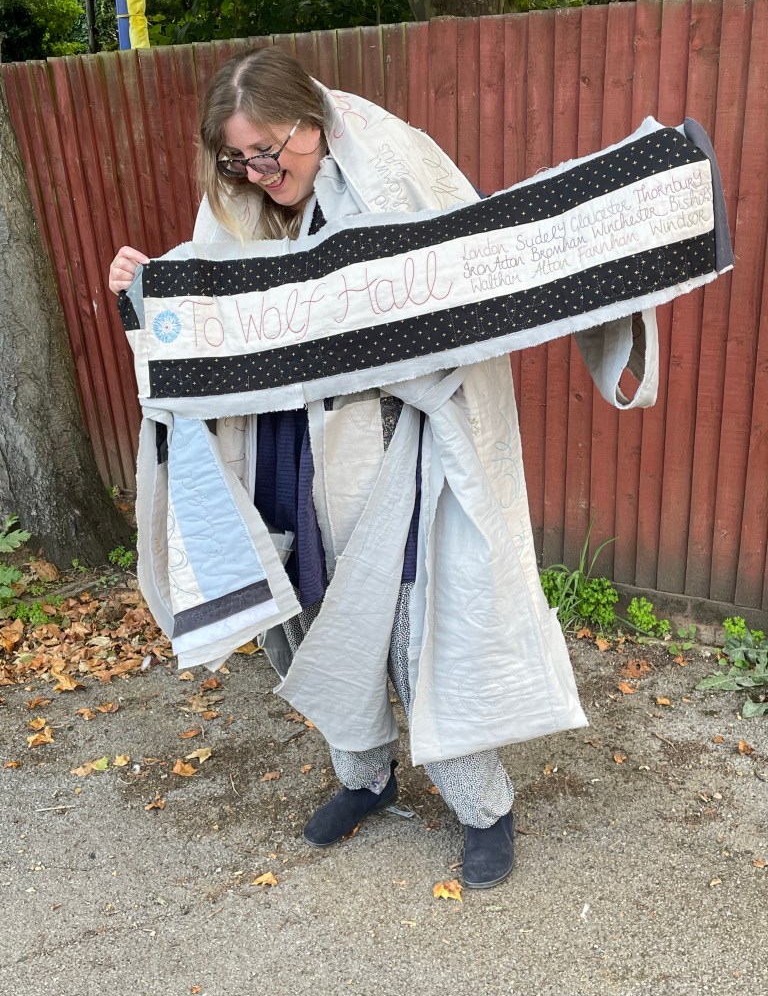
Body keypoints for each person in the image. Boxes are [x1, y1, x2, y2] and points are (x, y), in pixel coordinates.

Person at [110, 47, 589, 890]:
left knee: (414, 631)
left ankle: (484, 807)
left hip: (392, 446)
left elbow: (466, 290)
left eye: (269, 152)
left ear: (313, 123)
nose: (258, 174)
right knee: (315, 622)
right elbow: (211, 330)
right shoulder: (240, 210)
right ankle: (366, 778)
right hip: (284, 449)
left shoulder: (392, 174)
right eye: (238, 160)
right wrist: (147, 294)